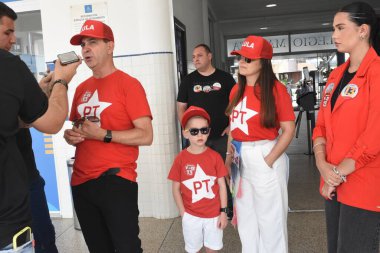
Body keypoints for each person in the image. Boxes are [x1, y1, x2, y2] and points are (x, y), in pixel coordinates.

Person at [63, 19, 153, 253]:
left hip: (115, 180)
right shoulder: (81, 88)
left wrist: (104, 135)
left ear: (110, 46)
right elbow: (79, 128)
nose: (85, 49)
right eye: (83, 44)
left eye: (92, 42)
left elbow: (146, 135)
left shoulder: (129, 85)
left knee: (127, 248)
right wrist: (71, 136)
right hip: (81, 182)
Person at [0, 5, 80, 253]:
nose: (14, 39)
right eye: (7, 32)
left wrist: (36, 92)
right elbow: (53, 122)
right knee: (44, 241)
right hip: (10, 218)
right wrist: (61, 81)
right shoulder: (8, 65)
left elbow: (11, 119)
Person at [312, 2, 380, 253]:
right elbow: (320, 126)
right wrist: (322, 165)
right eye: (333, 28)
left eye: (341, 28)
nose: (334, 35)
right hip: (332, 183)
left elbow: (374, 137)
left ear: (363, 30)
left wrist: (337, 174)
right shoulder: (335, 75)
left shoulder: (376, 72)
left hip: (363, 185)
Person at [225, 35, 295, 253]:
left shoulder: (276, 89)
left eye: (248, 59)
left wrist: (269, 159)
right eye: (240, 58)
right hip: (239, 155)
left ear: (263, 62)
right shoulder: (236, 90)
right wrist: (228, 159)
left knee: (271, 220)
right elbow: (232, 125)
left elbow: (289, 129)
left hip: (265, 152)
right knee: (245, 218)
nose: (241, 63)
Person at [168, 106, 228, 253]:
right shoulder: (180, 159)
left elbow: (222, 186)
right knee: (193, 249)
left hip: (213, 215)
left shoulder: (215, 157)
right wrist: (183, 213)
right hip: (191, 215)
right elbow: (175, 188)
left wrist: (223, 212)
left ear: (208, 131)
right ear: (185, 134)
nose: (200, 134)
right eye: (194, 131)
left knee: (212, 248)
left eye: (204, 130)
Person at [177, 44, 235, 162]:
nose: (195, 59)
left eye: (199, 55)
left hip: (222, 137)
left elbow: (236, 104)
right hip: (197, 137)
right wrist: (187, 129)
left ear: (209, 56)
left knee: (224, 174)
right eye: (193, 57)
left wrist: (232, 126)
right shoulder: (188, 80)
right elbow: (181, 107)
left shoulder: (226, 78)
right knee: (202, 173)